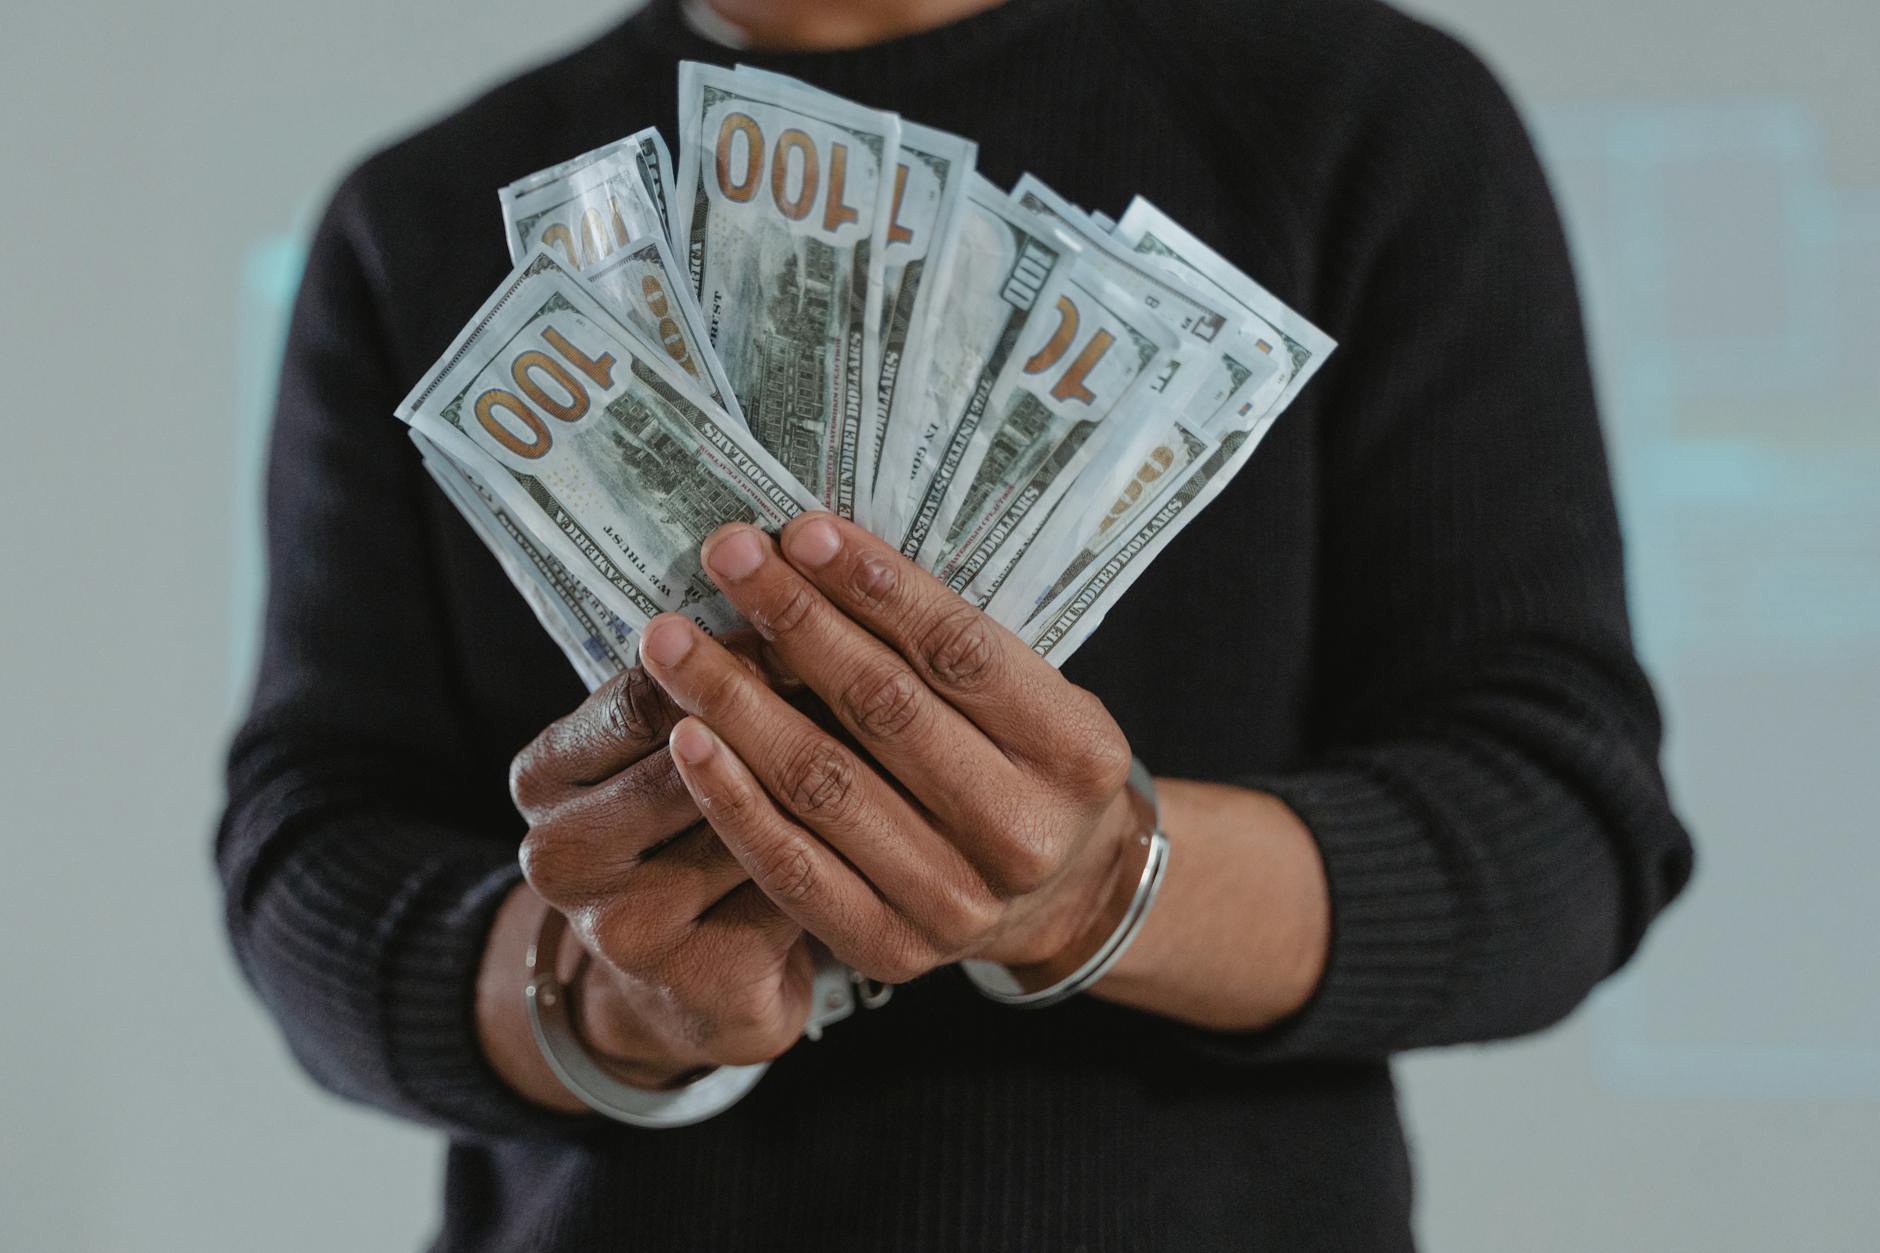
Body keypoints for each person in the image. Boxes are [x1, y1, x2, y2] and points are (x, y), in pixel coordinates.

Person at [216, 0, 1696, 1247]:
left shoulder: (1372, 121)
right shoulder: (419, 220)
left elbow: (1558, 824)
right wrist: (599, 990)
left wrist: (1098, 885)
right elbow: (313, 850)